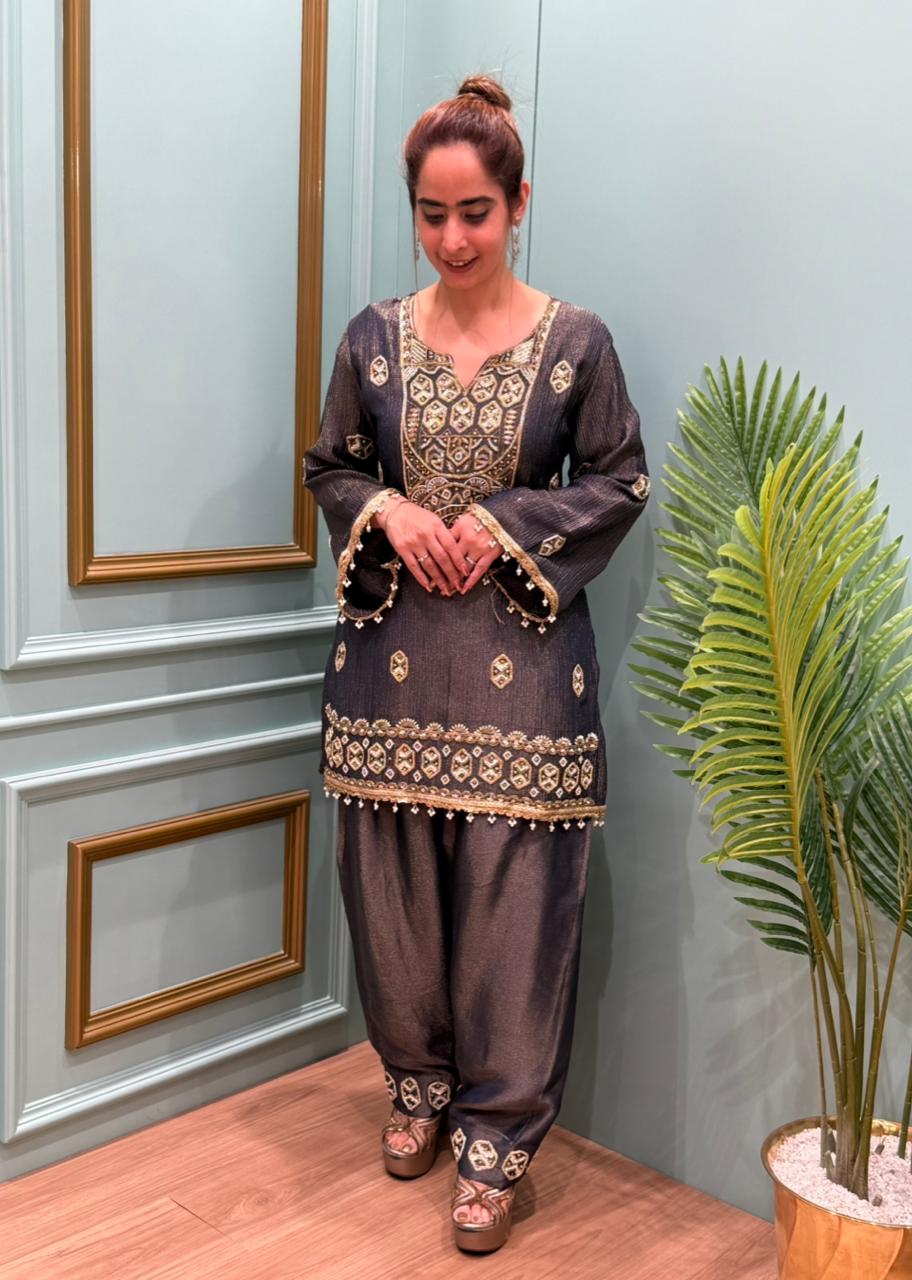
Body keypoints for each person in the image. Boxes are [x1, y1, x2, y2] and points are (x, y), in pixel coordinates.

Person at [304, 73, 649, 1255]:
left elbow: (620, 478)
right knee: (390, 893)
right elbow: (331, 465)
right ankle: (417, 1087)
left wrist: (505, 523)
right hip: (388, 671)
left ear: (519, 204)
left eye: (477, 213)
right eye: (432, 213)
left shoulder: (577, 344)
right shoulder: (372, 340)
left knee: (519, 913)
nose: (453, 238)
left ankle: (496, 1146)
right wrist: (391, 511)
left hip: (527, 681)